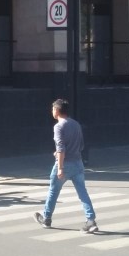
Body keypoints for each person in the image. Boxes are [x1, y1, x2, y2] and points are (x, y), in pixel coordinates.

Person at [34, 98, 99, 233]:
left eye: (53, 109)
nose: (51, 111)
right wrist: (58, 153)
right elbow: (80, 146)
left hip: (65, 164)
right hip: (78, 163)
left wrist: (60, 167)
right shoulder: (76, 124)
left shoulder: (58, 126)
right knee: (83, 193)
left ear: (57, 110)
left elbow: (61, 148)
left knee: (53, 191)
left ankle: (46, 219)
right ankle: (91, 220)